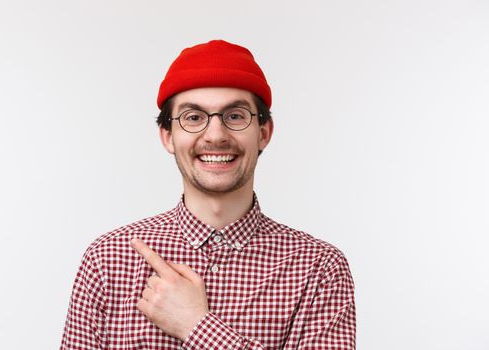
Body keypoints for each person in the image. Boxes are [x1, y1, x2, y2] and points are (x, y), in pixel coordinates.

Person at [61, 39, 356, 350]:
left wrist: (196, 326)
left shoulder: (320, 268)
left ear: (264, 133)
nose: (215, 135)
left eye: (235, 116)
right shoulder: (108, 260)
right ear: (167, 136)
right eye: (193, 117)